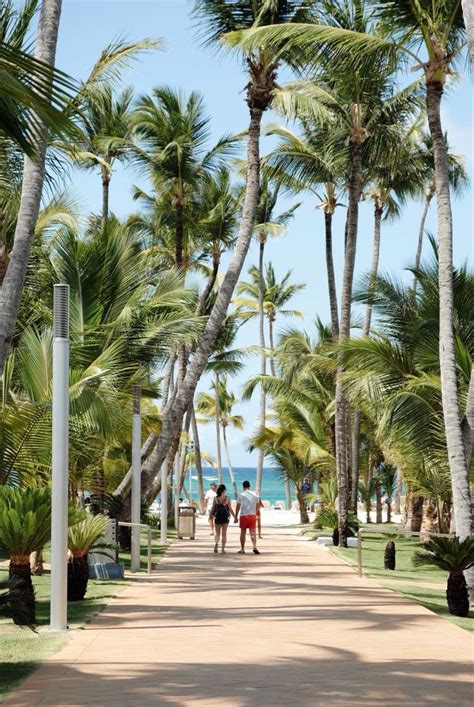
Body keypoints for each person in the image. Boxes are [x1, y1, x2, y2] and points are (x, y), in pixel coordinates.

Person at [234, 480, 260, 554]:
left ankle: (242, 549)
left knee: (243, 532)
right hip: (252, 515)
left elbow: (237, 507)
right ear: (249, 486)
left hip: (244, 515)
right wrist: (255, 512)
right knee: (253, 532)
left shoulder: (241, 495)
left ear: (243, 487)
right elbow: (258, 506)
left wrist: (236, 516)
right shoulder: (255, 495)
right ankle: (254, 546)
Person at [209, 484, 235, 554]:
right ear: (224, 490)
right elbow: (230, 508)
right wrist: (235, 517)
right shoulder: (227, 498)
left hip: (218, 517)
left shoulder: (215, 498)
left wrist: (210, 516)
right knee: (224, 534)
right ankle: (223, 550)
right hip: (225, 517)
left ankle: (216, 543)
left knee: (217, 533)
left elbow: (212, 508)